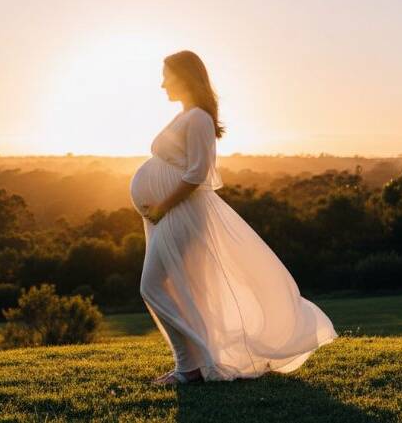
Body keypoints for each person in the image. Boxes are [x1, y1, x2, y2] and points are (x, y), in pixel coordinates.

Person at [129, 50, 338, 385]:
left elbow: (198, 173)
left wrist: (163, 206)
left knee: (152, 285)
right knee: (181, 288)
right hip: (171, 214)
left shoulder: (199, 118)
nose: (162, 83)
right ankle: (193, 364)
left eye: (167, 76)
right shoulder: (185, 116)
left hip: (182, 212)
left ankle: (188, 368)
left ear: (186, 77)